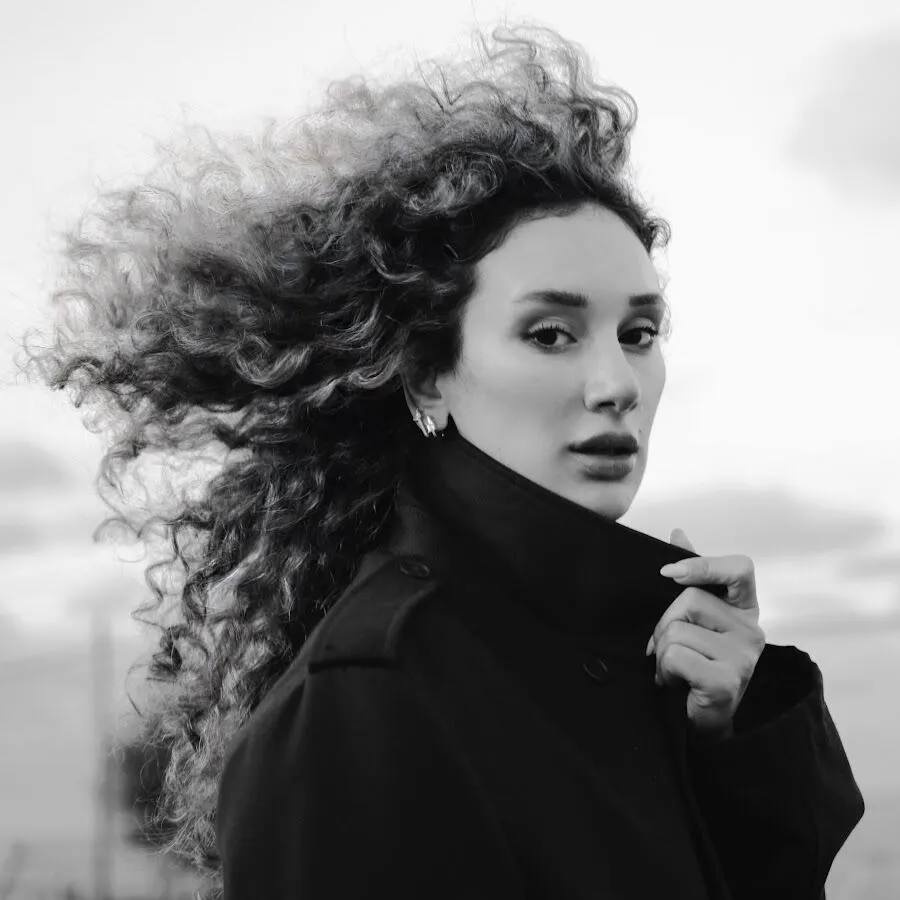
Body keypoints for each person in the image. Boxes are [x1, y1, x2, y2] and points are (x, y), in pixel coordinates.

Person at [17, 20, 864, 900]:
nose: (617, 383)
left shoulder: (640, 660)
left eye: (639, 333)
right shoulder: (367, 699)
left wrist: (730, 742)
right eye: (551, 333)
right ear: (427, 374)